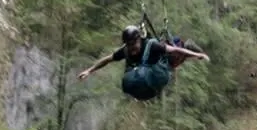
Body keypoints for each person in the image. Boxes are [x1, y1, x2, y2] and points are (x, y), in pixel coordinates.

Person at [78, 25, 208, 100]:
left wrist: (197, 55)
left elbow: (174, 49)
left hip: (167, 63)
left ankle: (192, 47)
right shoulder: (126, 51)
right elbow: (107, 59)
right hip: (150, 77)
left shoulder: (152, 45)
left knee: (181, 47)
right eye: (129, 46)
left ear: (139, 40)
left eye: (134, 45)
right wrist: (89, 71)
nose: (132, 49)